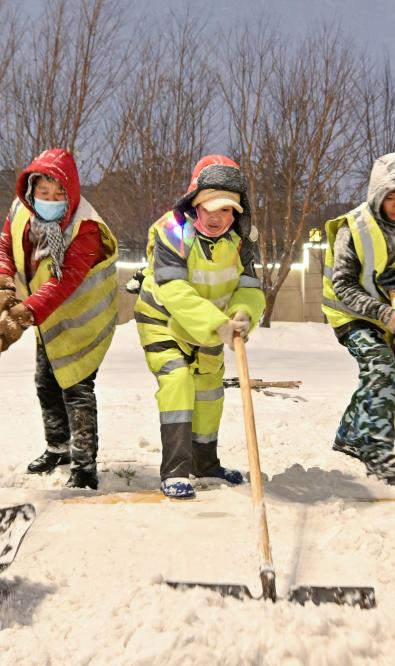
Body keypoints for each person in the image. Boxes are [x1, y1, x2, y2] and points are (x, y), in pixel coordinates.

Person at [0, 148, 118, 490]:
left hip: (83, 318)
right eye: (44, 192)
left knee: (77, 388)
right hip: (48, 318)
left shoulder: (85, 228)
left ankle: (84, 467)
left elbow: (63, 281)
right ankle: (58, 448)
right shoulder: (21, 213)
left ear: (71, 194)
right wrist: (1, 284)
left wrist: (22, 316)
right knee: (46, 382)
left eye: (60, 194)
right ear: (32, 190)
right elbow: (3, 249)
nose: (51, 200)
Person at [134, 155, 265, 499]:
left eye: (226, 210)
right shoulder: (172, 231)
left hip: (211, 324)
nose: (216, 217)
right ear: (195, 203)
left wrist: (241, 316)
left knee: (209, 390)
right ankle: (176, 470)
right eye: (210, 208)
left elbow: (249, 289)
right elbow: (174, 290)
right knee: (177, 382)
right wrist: (217, 325)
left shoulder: (242, 239)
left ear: (236, 211)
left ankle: (205, 464)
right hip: (163, 321)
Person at [321, 152, 395, 482]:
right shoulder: (354, 228)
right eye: (391, 199)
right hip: (351, 314)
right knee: (381, 366)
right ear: (377, 195)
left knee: (377, 375)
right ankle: (376, 451)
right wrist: (382, 313)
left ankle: (348, 436)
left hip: (394, 314)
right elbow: (342, 284)